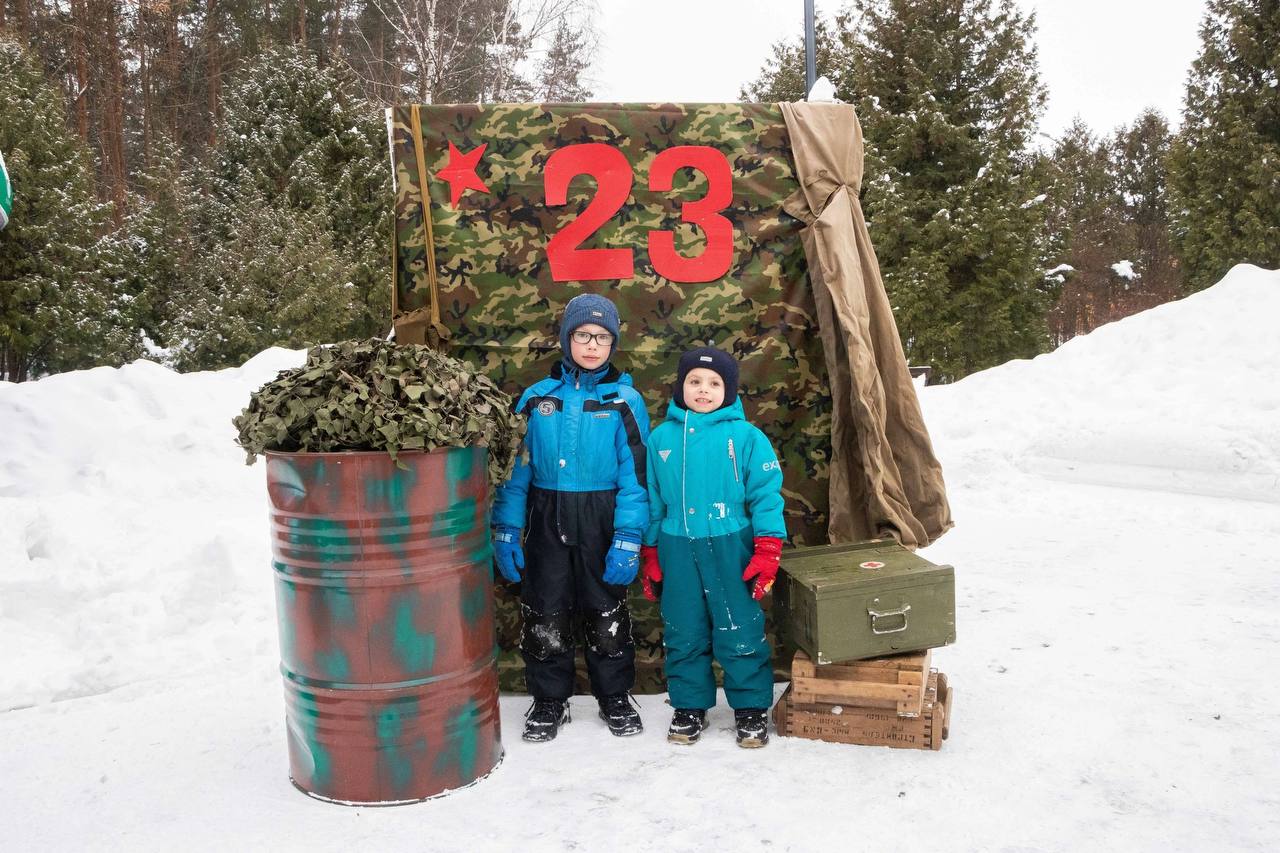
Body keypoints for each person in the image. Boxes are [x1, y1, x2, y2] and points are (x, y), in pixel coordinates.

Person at [491, 293, 650, 742]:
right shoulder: (537, 398)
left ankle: (614, 695)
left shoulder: (625, 400)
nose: (592, 345)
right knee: (546, 607)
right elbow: (515, 473)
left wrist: (629, 536)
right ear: (566, 339)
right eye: (583, 335)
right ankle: (549, 699)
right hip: (546, 514)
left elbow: (637, 476)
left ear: (613, 344)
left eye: (602, 337)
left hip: (602, 516)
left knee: (606, 607)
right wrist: (506, 528)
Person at [639, 347, 785, 748]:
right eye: (694, 381)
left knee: (739, 625)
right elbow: (654, 499)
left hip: (730, 544)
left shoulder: (747, 437)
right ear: (680, 386)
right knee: (683, 628)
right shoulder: (661, 438)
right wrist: (650, 553)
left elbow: (766, 495)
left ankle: (750, 707)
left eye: (714, 383)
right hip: (676, 545)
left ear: (729, 390)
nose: (703, 390)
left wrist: (768, 548)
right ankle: (689, 706)